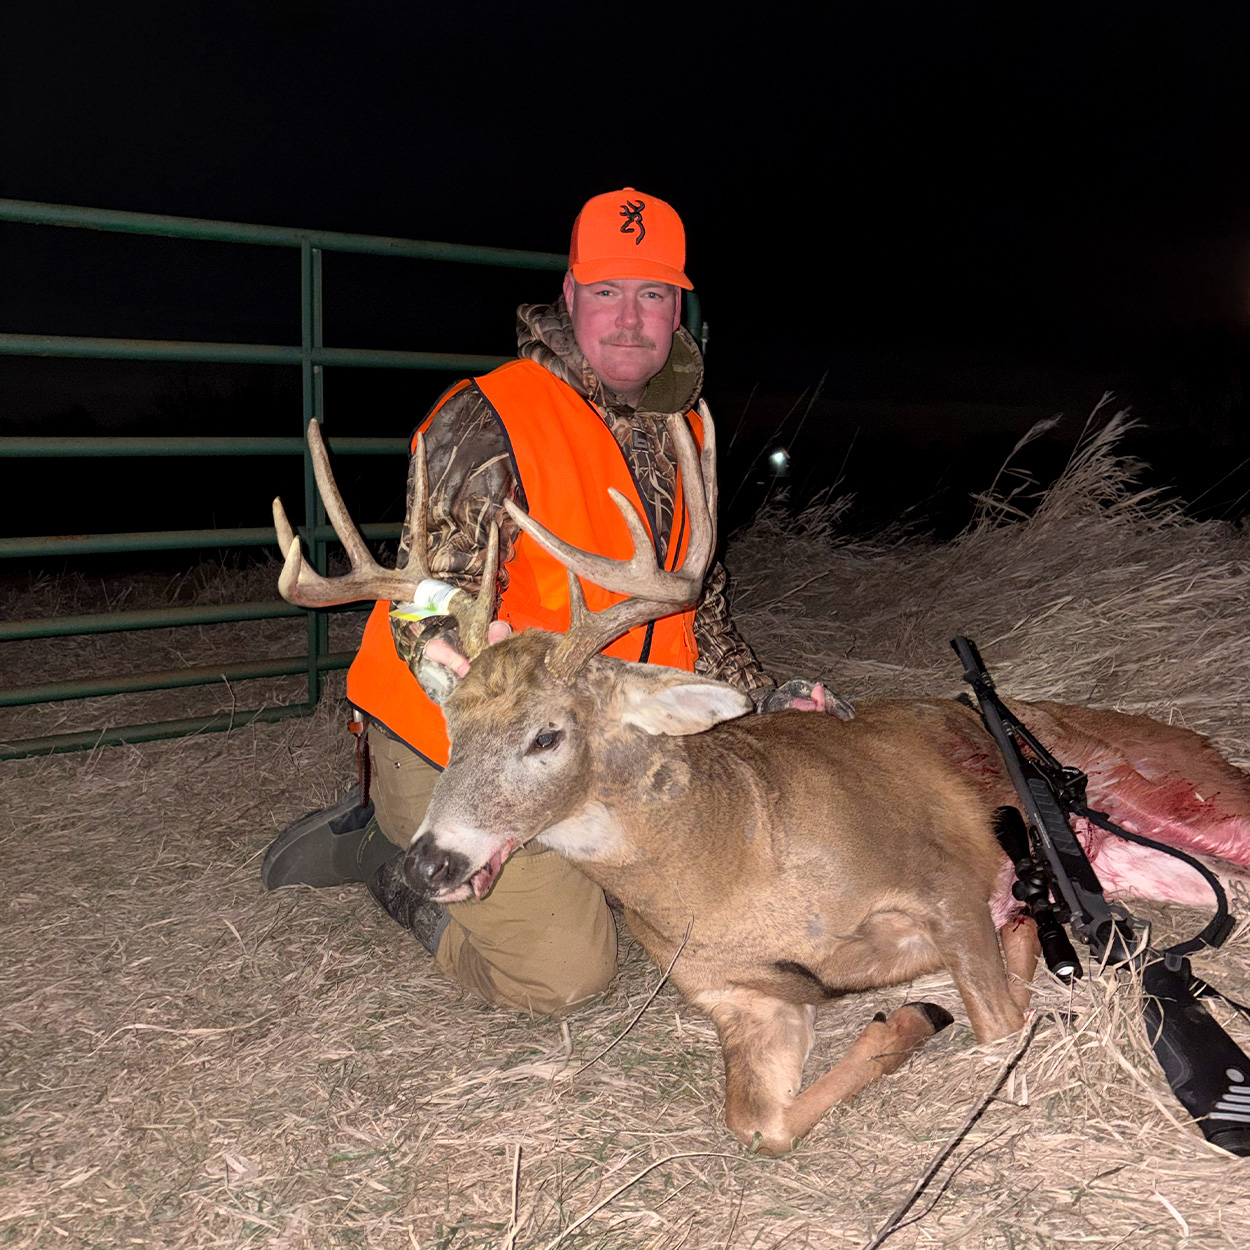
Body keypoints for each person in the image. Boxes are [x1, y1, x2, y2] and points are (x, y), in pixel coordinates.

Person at [262, 187, 845, 1014]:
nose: (630, 320)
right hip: (462, 745)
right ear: (569, 297)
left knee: (727, 880)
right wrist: (441, 641)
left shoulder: (686, 430)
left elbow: (698, 612)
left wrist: (763, 701)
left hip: (593, 734)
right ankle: (385, 858)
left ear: (677, 309)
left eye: (653, 295)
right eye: (607, 291)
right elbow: (427, 589)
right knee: (567, 975)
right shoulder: (489, 417)